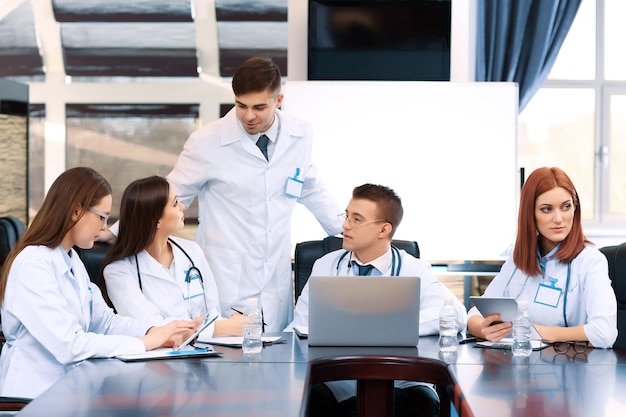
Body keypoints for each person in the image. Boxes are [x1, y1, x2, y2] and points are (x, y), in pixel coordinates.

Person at [162, 56, 342, 332]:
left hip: (274, 280)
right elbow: (171, 197)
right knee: (225, 365)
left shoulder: (301, 133)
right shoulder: (208, 141)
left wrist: (349, 230)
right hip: (226, 280)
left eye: (259, 107)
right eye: (240, 105)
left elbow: (309, 186)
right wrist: (118, 232)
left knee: (275, 364)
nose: (248, 116)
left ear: (279, 99)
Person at [0, 167, 199, 399]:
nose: (104, 228)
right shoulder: (33, 264)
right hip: (34, 398)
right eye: (101, 217)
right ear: (76, 211)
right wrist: (143, 343)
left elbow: (105, 321)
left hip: (71, 391)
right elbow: (68, 345)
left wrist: (156, 332)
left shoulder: (72, 260)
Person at [287, 183, 468, 417]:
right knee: (307, 399)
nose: (345, 225)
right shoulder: (326, 265)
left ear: (383, 230)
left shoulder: (414, 269)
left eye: (357, 219)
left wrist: (382, 326)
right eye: (347, 216)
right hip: (337, 382)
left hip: (400, 383)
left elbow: (456, 315)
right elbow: (300, 328)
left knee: (422, 401)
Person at [467, 167, 617, 348]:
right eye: (547, 209)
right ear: (530, 214)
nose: (559, 218)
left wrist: (539, 333)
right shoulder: (518, 259)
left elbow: (604, 332)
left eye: (566, 207)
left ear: (575, 209)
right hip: (523, 364)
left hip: (571, 366)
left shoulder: (590, 260)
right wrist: (482, 328)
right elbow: (476, 312)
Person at [101, 176, 242, 337]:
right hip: (159, 359)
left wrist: (230, 325)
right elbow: (153, 328)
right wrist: (226, 327)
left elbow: (212, 312)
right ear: (157, 220)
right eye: (175, 203)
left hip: (208, 353)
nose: (182, 206)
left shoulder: (192, 251)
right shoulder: (118, 272)